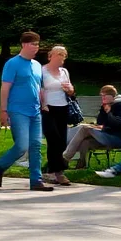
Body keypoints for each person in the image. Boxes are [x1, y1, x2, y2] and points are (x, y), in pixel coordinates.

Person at [0, 31, 53, 191]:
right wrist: (3, 110)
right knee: (22, 145)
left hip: (35, 111)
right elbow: (5, 87)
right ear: (24, 44)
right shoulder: (12, 63)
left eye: (38, 45)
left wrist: (43, 102)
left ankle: (36, 181)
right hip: (17, 111)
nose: (36, 48)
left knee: (36, 146)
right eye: (33, 44)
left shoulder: (37, 66)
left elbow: (39, 87)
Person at [63, 85, 121, 169]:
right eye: (101, 95)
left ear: (112, 96)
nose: (102, 98)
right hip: (107, 135)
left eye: (104, 95)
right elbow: (100, 122)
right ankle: (81, 164)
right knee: (85, 142)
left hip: (119, 138)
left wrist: (109, 113)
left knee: (85, 129)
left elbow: (120, 125)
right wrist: (103, 110)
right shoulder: (107, 105)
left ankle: (65, 158)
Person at [41, 45, 76, 184]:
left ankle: (51, 170)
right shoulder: (42, 71)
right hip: (48, 108)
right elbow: (39, 89)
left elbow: (71, 90)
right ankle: (59, 172)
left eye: (63, 56)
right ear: (51, 56)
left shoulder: (64, 72)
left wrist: (70, 90)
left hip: (63, 107)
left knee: (61, 141)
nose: (61, 58)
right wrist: (43, 104)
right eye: (58, 55)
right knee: (53, 138)